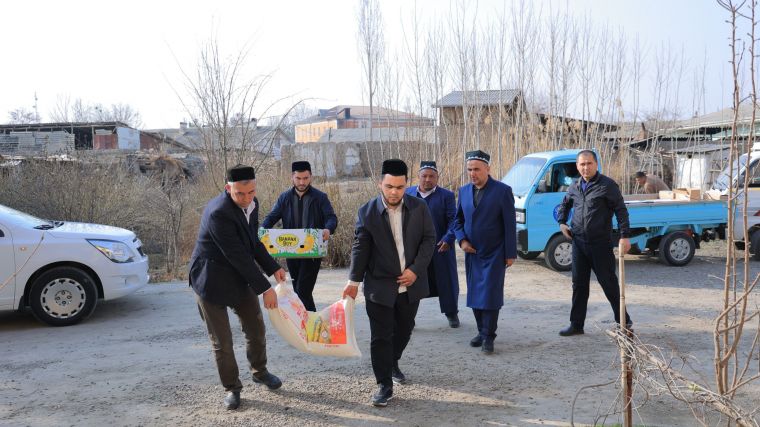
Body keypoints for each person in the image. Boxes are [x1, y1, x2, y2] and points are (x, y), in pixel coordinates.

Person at [189, 164, 287, 410]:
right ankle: (232, 388)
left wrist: (273, 267)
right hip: (210, 281)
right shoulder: (218, 213)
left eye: (251, 192)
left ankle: (260, 371)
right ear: (228, 188)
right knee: (223, 342)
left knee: (255, 328)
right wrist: (265, 288)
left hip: (238, 277)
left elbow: (252, 243)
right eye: (240, 194)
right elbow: (237, 255)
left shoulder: (252, 205)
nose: (246, 198)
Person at [342, 159, 436, 407]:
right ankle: (384, 383)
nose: (394, 192)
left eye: (400, 187)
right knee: (381, 336)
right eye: (389, 186)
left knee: (405, 329)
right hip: (379, 285)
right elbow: (360, 248)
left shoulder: (419, 207)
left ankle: (392, 360)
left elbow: (429, 240)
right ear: (380, 184)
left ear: (407, 185)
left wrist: (415, 270)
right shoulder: (367, 212)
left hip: (411, 284)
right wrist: (353, 280)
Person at [556, 150, 633, 337]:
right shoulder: (574, 187)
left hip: (600, 244)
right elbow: (565, 204)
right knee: (579, 285)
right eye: (582, 164)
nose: (585, 167)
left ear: (596, 164)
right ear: (577, 166)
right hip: (579, 243)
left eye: (589, 163)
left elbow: (621, 210)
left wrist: (624, 236)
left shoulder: (607, 185)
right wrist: (562, 222)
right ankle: (576, 324)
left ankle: (624, 323)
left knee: (609, 284)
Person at [453, 150, 517, 354]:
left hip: (495, 252)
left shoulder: (502, 191)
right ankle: (481, 331)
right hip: (472, 252)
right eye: (469, 170)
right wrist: (462, 240)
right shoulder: (463, 191)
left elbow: (509, 224)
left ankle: (489, 336)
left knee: (490, 295)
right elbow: (457, 221)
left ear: (487, 169)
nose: (473, 173)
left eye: (477, 169)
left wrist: (510, 253)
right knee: (475, 295)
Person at [262, 160, 338, 311]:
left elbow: (331, 218)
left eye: (305, 178)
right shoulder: (284, 198)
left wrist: (328, 229)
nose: (302, 182)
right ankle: (310, 327)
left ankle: (309, 328)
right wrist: (262, 229)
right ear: (292, 177)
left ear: (311, 177)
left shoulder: (320, 197)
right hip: (291, 251)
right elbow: (272, 217)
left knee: (303, 290)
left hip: (312, 252)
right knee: (299, 291)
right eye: (298, 178)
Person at [405, 161, 460, 328]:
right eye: (424, 176)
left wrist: (448, 238)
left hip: (440, 247)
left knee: (447, 282)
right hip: (414, 250)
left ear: (437, 178)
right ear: (418, 177)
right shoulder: (407, 194)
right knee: (411, 282)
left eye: (431, 176)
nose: (427, 179)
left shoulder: (447, 196)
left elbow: (454, 221)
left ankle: (452, 314)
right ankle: (408, 318)